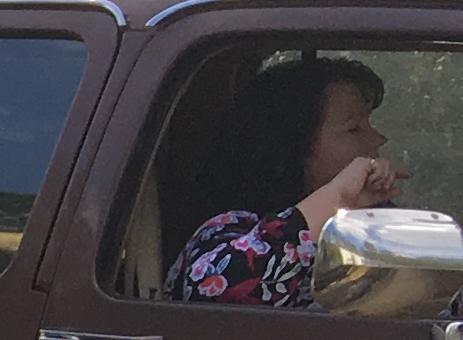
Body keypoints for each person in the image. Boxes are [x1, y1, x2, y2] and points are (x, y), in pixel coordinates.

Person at [166, 53, 403, 306]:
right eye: (354, 128)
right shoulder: (228, 230)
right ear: (293, 148)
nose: (379, 138)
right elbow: (213, 290)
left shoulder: (366, 230)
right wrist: (336, 198)